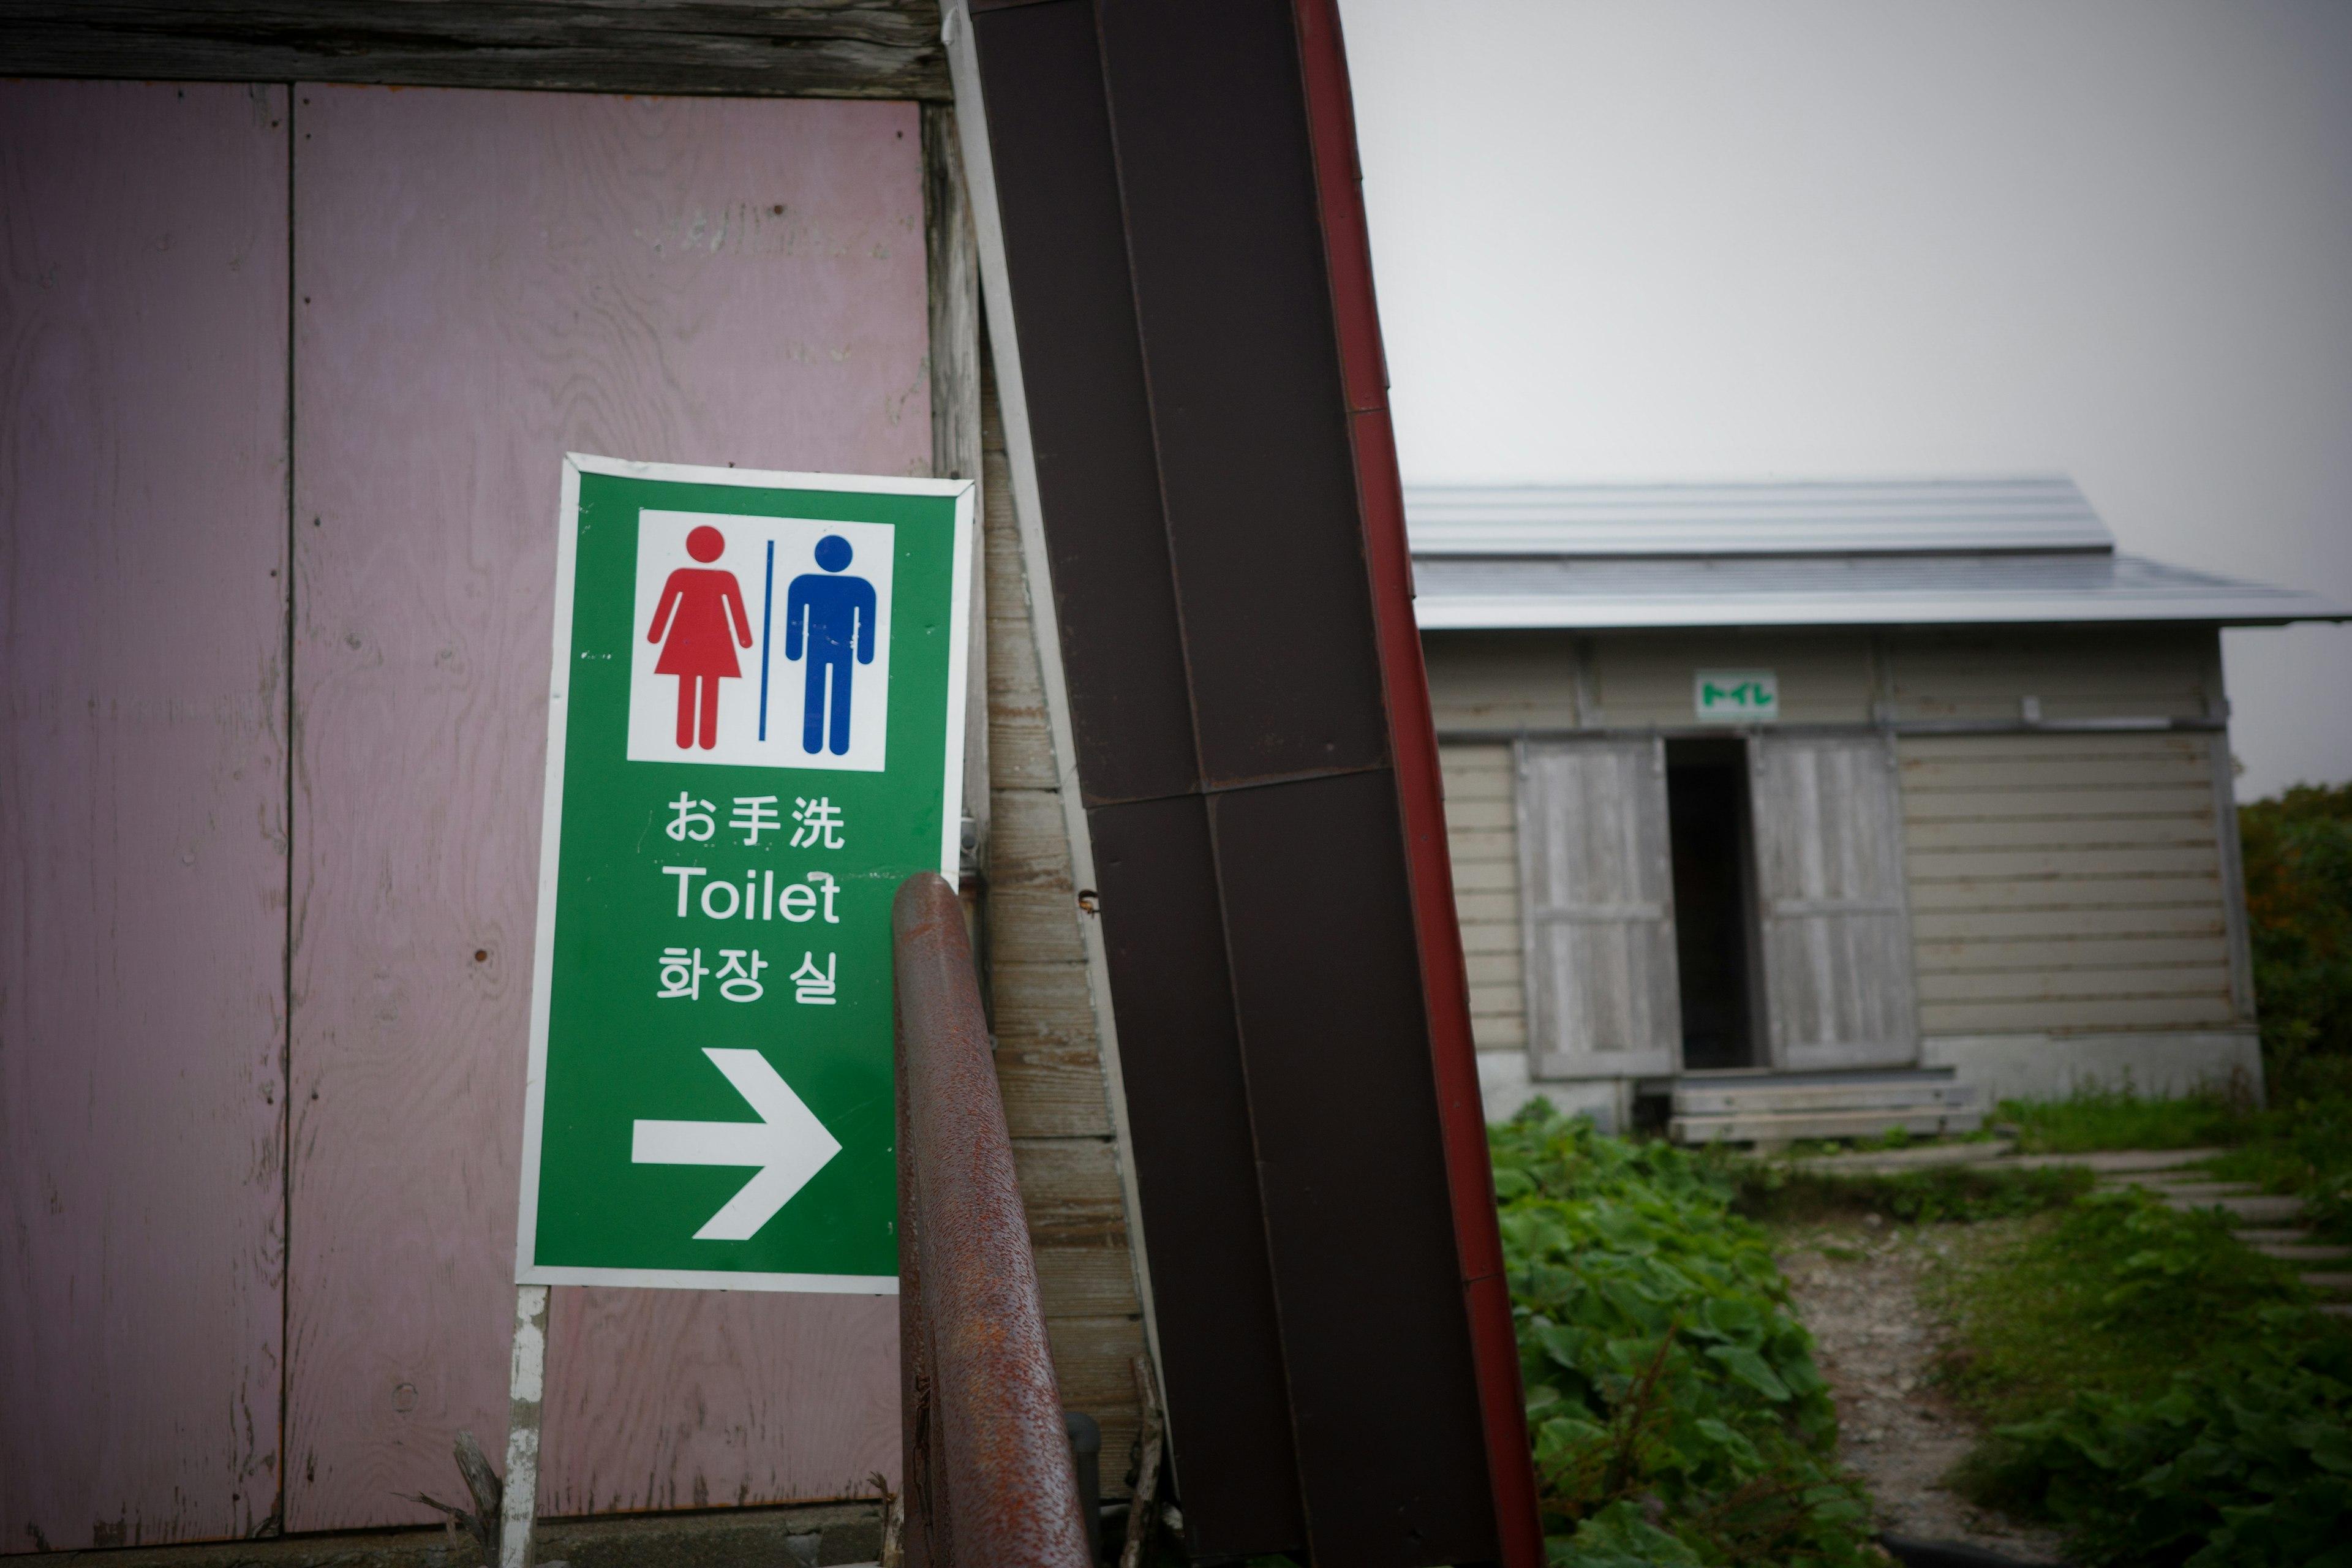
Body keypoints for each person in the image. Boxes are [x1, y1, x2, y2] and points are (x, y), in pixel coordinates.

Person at [646, 525, 752, 750]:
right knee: (701, 685)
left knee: (693, 684)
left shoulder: (686, 576)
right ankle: (700, 739)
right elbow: (666, 605)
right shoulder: (718, 577)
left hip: (692, 639)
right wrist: (744, 639)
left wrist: (656, 635)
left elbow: (666, 607)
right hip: (707, 640)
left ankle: (697, 739)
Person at [783, 534, 876, 756]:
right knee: (821, 694)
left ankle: (834, 744)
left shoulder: (809, 583)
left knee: (837, 694)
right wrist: (794, 649)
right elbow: (794, 617)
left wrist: (794, 649)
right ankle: (818, 744)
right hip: (825, 647)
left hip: (838, 648)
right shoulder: (858, 587)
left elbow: (867, 623)